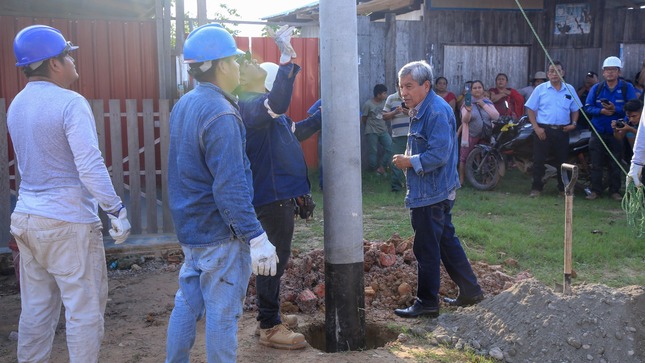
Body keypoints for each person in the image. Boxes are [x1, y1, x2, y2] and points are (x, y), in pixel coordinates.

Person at [8, 24, 131, 362]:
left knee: (36, 312)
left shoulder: (16, 105)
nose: (74, 62)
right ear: (53, 63)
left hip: (27, 219)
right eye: (69, 55)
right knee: (84, 312)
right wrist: (115, 209)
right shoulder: (70, 102)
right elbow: (89, 165)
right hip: (68, 223)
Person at [165, 23, 279, 362]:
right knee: (223, 313)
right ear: (221, 65)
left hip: (191, 230)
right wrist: (256, 236)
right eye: (233, 60)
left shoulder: (185, 104)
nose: (238, 67)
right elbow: (229, 187)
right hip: (219, 234)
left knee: (187, 302)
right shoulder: (222, 114)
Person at [236, 27, 321, 350]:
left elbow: (298, 130)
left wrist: (326, 110)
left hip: (280, 198)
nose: (256, 64)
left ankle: (270, 317)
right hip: (271, 199)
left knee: (277, 258)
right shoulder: (254, 108)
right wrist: (287, 61)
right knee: (272, 261)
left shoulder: (271, 118)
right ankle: (269, 325)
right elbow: (279, 105)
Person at [391, 60, 484, 319]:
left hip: (431, 194)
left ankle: (427, 303)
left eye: (409, 86)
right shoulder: (422, 108)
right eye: (401, 87)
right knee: (445, 242)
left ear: (426, 85)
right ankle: (471, 291)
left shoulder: (435, 111)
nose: (404, 92)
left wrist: (409, 161)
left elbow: (439, 154)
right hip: (434, 190)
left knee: (426, 247)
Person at [584, 56, 637, 201]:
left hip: (618, 133)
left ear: (619, 72)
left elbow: (633, 108)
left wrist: (616, 109)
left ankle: (615, 191)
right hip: (598, 132)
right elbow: (587, 107)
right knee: (596, 163)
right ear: (603, 72)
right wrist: (600, 111)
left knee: (616, 162)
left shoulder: (627, 88)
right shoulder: (597, 88)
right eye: (607, 70)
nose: (610, 73)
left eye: (613, 70)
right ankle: (595, 191)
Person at [525, 61, 581, 198]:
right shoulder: (540, 89)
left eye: (557, 71)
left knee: (563, 161)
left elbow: (576, 109)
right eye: (551, 71)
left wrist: (574, 123)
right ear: (547, 74)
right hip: (543, 130)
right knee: (538, 160)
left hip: (562, 131)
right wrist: (536, 128)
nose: (554, 74)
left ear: (563, 73)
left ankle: (563, 190)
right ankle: (536, 189)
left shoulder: (570, 89)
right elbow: (530, 109)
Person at [458, 80, 499, 185]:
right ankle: (461, 180)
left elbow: (495, 116)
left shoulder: (487, 102)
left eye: (479, 87)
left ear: (483, 89)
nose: (477, 90)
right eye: (474, 88)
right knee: (464, 157)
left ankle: (487, 179)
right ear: (471, 91)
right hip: (471, 135)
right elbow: (465, 120)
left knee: (487, 157)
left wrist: (483, 105)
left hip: (485, 135)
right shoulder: (467, 103)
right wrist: (468, 110)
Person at [382, 83, 410, 192]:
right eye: (400, 86)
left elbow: (420, 114)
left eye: (405, 85)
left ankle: (411, 187)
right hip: (397, 135)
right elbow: (384, 116)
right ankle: (396, 188)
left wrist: (409, 112)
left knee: (412, 161)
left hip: (412, 134)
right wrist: (395, 112)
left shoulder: (412, 96)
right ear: (396, 86)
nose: (402, 88)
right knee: (395, 162)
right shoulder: (391, 98)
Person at [362, 84, 392, 175]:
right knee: (373, 152)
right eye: (384, 93)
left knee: (391, 148)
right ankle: (373, 171)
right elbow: (364, 118)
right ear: (378, 95)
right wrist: (369, 127)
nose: (386, 95)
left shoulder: (385, 103)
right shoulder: (368, 104)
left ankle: (382, 167)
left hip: (383, 130)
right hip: (372, 131)